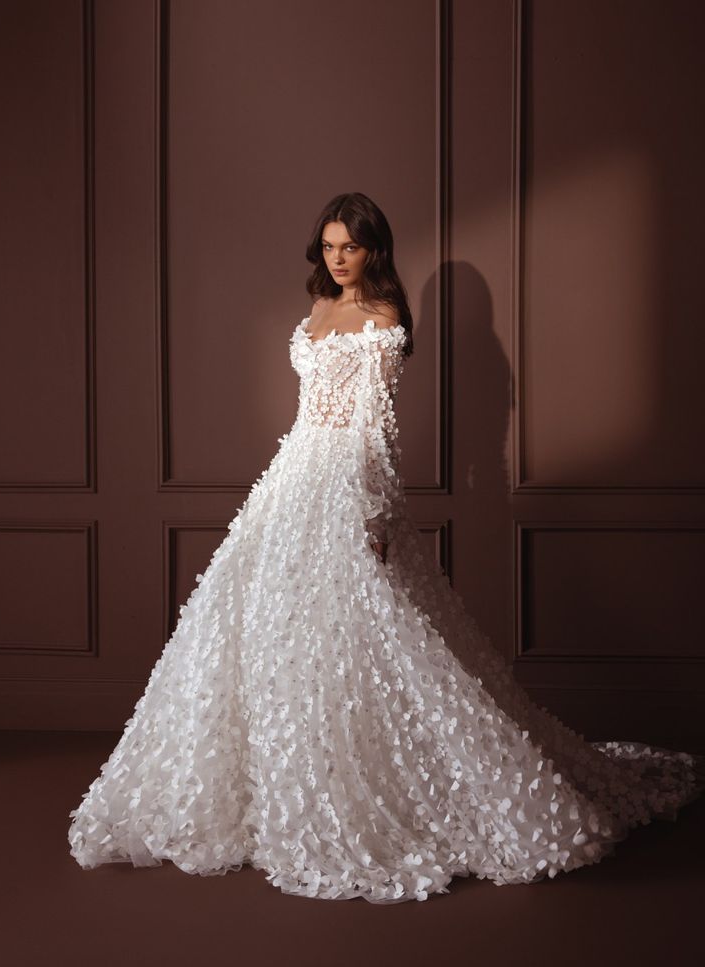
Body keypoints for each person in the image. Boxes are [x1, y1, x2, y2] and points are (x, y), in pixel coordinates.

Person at [68, 191, 705, 903]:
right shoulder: (315, 312)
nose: (337, 258)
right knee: (266, 627)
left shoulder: (384, 320)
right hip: (293, 478)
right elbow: (307, 415)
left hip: (347, 481)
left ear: (375, 250)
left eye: (350, 246)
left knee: (368, 634)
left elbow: (376, 429)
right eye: (329, 246)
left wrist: (373, 511)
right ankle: (273, 783)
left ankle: (368, 785)